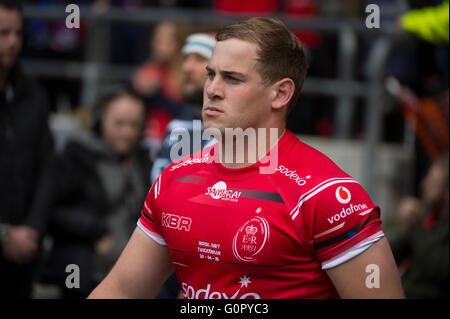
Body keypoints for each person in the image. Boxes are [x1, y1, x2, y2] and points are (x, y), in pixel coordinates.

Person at [89, 17, 404, 299]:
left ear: (280, 94)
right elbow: (121, 290)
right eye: (210, 74)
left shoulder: (327, 195)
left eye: (232, 78)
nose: (211, 89)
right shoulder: (175, 179)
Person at [39, 86, 152, 298]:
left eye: (134, 125)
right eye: (119, 123)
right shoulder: (77, 156)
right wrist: (95, 230)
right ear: (100, 120)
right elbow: (50, 210)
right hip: (81, 271)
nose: (127, 132)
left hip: (128, 276)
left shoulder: (142, 160)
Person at [0, 1, 55, 299]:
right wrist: (4, 235)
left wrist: (32, 229)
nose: (13, 42)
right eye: (3, 33)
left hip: (24, 250)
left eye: (18, 33)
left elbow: (46, 165)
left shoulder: (33, 94)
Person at [151, 32, 217, 183]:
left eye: (200, 58)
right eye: (186, 58)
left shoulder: (235, 132)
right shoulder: (180, 118)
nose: (187, 67)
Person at [390, 154, 449, 298]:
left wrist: (417, 226)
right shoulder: (428, 214)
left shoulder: (424, 221)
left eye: (433, 181)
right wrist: (404, 229)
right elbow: (391, 258)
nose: (424, 183)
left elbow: (437, 268)